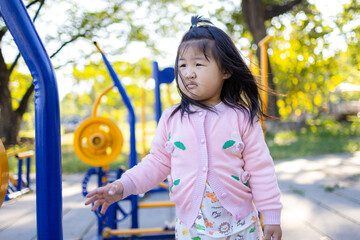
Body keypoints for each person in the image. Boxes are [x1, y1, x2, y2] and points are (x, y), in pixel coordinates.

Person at [85, 15, 282, 240]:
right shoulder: (172, 118)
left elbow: (260, 169)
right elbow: (157, 162)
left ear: (226, 71)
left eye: (198, 64)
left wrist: (272, 216)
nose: (188, 72)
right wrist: (122, 186)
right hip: (192, 229)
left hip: (241, 227)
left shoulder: (241, 117)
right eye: (182, 65)